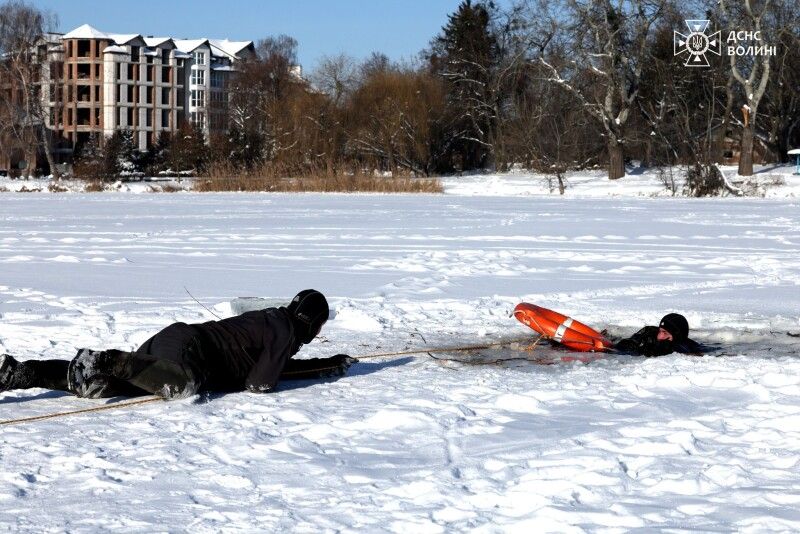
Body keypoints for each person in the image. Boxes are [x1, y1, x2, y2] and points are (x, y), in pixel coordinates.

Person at [0, 289, 356, 400]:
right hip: (187, 350)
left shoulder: (273, 319)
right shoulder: (284, 332)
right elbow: (260, 384)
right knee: (184, 385)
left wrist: (323, 364)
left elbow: (272, 366)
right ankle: (107, 359)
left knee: (100, 385)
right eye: (321, 325)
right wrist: (326, 367)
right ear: (310, 322)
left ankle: (22, 374)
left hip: (169, 341)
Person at [613, 313, 703, 357]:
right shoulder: (650, 333)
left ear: (677, 335)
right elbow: (626, 344)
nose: (660, 336)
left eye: (665, 333)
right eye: (660, 331)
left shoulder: (685, 347)